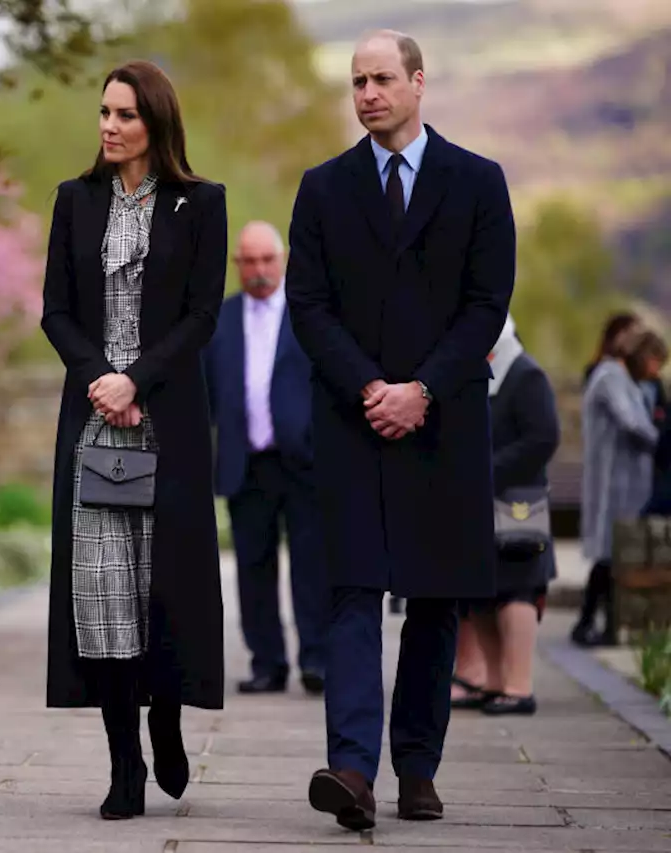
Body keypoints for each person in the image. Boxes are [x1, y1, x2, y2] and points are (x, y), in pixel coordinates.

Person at [284, 30, 515, 831]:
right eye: (357, 81)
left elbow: (487, 302)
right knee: (350, 590)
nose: (369, 93)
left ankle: (418, 769)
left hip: (445, 424)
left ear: (420, 82)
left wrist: (421, 389)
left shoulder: (478, 182)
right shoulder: (322, 188)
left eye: (383, 78)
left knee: (434, 599)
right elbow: (307, 305)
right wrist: (371, 388)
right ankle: (351, 768)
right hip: (351, 423)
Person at [41, 59, 228, 821]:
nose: (109, 126)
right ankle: (125, 765)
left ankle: (168, 716)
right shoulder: (74, 201)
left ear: (156, 123)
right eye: (104, 113)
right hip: (93, 423)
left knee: (165, 589)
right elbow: (55, 309)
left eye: (125, 115)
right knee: (103, 594)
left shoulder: (200, 203)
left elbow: (201, 315)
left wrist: (137, 380)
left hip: (169, 423)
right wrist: (99, 378)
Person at [203, 221, 327, 697]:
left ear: (283, 260)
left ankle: (315, 660)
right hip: (244, 461)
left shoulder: (309, 314)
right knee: (253, 568)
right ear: (237, 265)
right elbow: (204, 389)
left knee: (312, 566)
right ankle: (266, 664)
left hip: (303, 462)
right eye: (248, 262)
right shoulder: (220, 319)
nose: (258, 271)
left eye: (266, 260)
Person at [450, 316, 560, 716]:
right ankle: (494, 681)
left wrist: (488, 470)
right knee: (482, 594)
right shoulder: (484, 374)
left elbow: (542, 437)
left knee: (517, 591)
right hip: (479, 501)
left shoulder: (525, 374)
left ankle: (518, 684)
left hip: (516, 502)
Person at [573, 326, 666, 646]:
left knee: (614, 553)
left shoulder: (623, 379)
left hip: (625, 481)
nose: (656, 371)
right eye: (655, 361)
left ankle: (602, 625)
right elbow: (632, 422)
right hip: (614, 481)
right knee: (609, 553)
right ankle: (592, 624)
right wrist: (663, 442)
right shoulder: (611, 376)